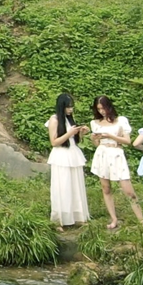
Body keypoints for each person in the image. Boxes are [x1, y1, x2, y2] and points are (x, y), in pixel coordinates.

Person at [89, 96, 143, 234]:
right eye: (99, 109)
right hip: (102, 153)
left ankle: (142, 222)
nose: (102, 111)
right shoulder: (95, 123)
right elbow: (96, 144)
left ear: (109, 107)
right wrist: (94, 139)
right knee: (106, 188)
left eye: (104, 108)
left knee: (129, 191)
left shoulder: (121, 121)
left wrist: (110, 136)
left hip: (116, 153)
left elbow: (127, 141)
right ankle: (113, 218)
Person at [47, 92, 90, 228]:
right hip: (61, 156)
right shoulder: (54, 120)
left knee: (75, 185)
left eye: (72, 107)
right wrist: (69, 133)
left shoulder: (69, 119)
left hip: (73, 153)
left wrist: (80, 132)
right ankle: (60, 218)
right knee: (63, 186)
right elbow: (54, 142)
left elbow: (73, 140)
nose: (70, 110)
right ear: (62, 107)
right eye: (68, 107)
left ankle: (77, 216)